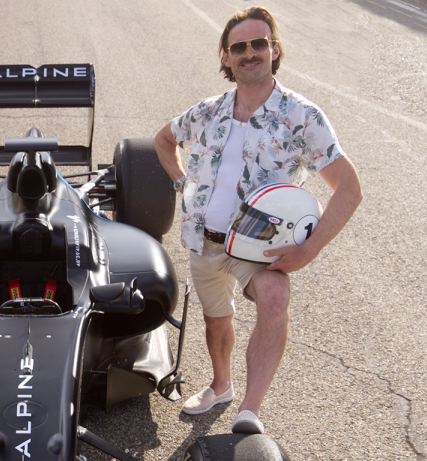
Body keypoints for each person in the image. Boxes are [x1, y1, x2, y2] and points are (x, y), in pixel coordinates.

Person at [154, 6, 362, 434]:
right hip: (205, 240)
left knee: (275, 296)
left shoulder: (301, 116)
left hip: (257, 246)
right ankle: (221, 385)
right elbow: (164, 139)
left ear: (274, 49)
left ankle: (249, 411)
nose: (249, 53)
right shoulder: (209, 111)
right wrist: (182, 183)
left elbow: (349, 188)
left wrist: (310, 248)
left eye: (258, 44)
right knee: (216, 320)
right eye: (239, 47)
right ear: (226, 57)